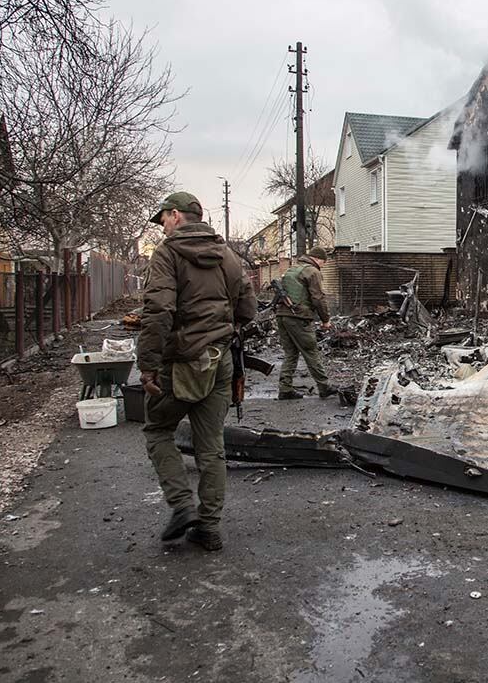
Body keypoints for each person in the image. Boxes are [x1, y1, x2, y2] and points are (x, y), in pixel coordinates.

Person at [137, 191, 256, 551]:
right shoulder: (228, 256)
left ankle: (182, 506)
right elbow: (247, 308)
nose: (162, 227)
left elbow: (158, 311)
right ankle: (209, 528)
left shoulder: (168, 254)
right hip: (218, 360)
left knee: (158, 431)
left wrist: (147, 365)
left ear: (176, 215)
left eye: (163, 220)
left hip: (179, 363)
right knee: (211, 446)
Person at [275, 246, 338, 400]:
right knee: (311, 352)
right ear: (318, 259)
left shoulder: (292, 269)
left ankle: (285, 388)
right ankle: (324, 386)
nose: (322, 265)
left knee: (290, 353)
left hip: (282, 315)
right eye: (323, 262)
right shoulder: (312, 271)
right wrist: (326, 320)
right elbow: (318, 298)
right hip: (299, 317)